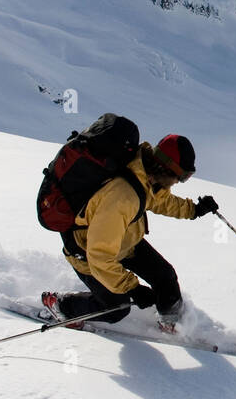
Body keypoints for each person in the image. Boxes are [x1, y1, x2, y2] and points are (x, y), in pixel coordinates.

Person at [41, 133, 218, 332]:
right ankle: (61, 306)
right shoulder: (123, 196)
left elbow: (159, 200)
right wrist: (132, 288)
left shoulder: (145, 175)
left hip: (124, 241)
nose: (179, 181)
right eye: (181, 176)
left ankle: (171, 325)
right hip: (87, 252)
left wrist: (193, 210)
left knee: (165, 277)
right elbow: (99, 256)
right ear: (166, 167)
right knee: (117, 308)